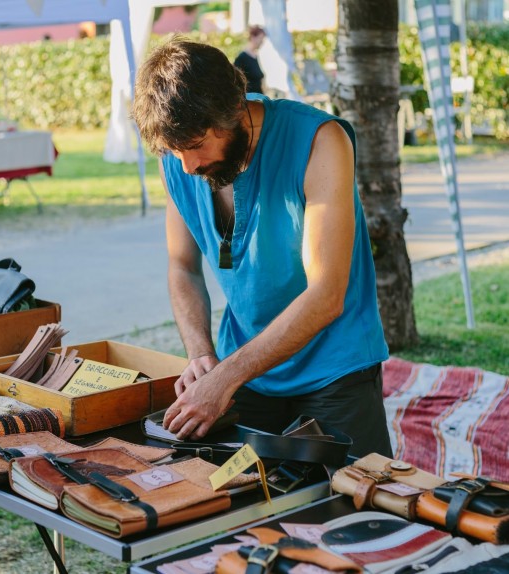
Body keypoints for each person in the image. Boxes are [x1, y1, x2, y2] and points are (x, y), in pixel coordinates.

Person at [132, 37, 392, 458]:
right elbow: (182, 266)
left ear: (234, 110)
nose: (188, 167)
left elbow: (326, 296)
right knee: (233, 504)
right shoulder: (179, 157)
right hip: (248, 370)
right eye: (173, 151)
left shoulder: (320, 141)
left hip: (334, 369)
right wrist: (201, 355)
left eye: (196, 145)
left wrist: (224, 379)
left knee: (355, 512)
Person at [233, 25, 266, 94]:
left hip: (258, 99)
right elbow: (235, 81)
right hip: (250, 100)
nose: (262, 42)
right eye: (260, 39)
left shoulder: (257, 56)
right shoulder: (241, 58)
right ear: (253, 38)